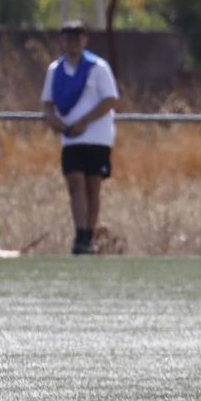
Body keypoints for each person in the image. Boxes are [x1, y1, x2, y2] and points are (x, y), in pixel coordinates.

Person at [41, 20, 119, 255]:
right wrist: (56, 123)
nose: (73, 43)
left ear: (84, 41)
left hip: (97, 137)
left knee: (92, 186)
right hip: (71, 138)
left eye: (77, 38)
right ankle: (80, 235)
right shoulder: (55, 70)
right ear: (61, 41)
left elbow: (110, 100)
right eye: (68, 38)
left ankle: (88, 235)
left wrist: (84, 122)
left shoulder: (98, 67)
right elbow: (47, 104)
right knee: (75, 183)